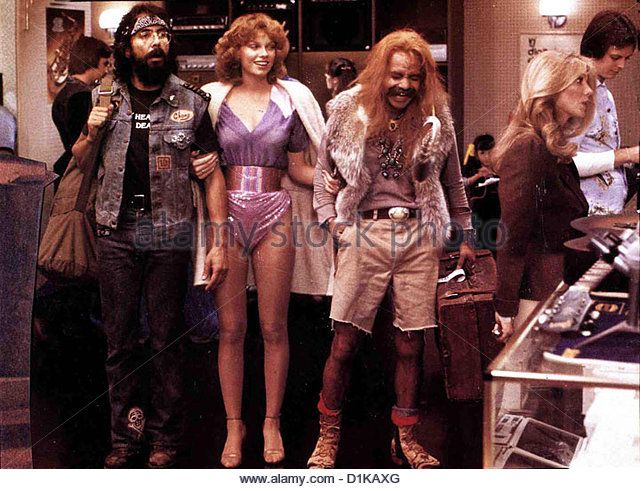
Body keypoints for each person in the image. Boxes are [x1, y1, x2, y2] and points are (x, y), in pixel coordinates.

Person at [309, 29, 474, 469]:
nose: (405, 85)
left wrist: (466, 235)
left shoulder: (436, 116)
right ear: (380, 72)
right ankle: (327, 435)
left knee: (410, 345)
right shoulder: (347, 110)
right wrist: (333, 225)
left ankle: (405, 438)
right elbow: (323, 178)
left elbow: (454, 184)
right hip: (364, 233)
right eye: (396, 75)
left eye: (414, 77)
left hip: (419, 237)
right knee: (344, 343)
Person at [72, 3, 227, 469]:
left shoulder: (192, 103)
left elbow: (212, 176)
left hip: (170, 232)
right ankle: (125, 438)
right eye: (144, 36)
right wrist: (90, 132)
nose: (155, 42)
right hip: (115, 230)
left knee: (166, 338)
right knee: (120, 341)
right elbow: (79, 161)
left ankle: (165, 438)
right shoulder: (104, 96)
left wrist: (218, 243)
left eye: (162, 35)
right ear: (126, 48)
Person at [194, 13, 327, 468]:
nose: (263, 53)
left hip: (276, 212)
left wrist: (338, 179)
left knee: (274, 326)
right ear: (236, 50)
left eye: (270, 46)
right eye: (253, 45)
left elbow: (300, 168)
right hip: (225, 214)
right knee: (232, 328)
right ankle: (235, 425)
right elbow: (199, 159)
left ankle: (272, 422)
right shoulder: (213, 98)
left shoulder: (293, 98)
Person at [493, 51, 595, 342]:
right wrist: (505, 307)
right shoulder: (529, 147)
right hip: (536, 292)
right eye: (578, 81)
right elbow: (511, 234)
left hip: (554, 286)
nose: (589, 91)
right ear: (550, 88)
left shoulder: (551, 148)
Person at [573, 10, 638, 215]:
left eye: (627, 58)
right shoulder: (576, 92)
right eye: (615, 57)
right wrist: (628, 155)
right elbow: (566, 164)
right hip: (586, 214)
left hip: (607, 212)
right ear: (594, 49)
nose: (622, 65)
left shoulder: (605, 94)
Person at [52, 36, 111, 187]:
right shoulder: (81, 96)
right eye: (104, 64)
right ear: (92, 60)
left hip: (69, 166)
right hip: (79, 172)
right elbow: (83, 142)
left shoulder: (65, 92)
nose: (106, 70)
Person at [462, 134, 500, 250]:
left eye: (490, 152)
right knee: (481, 241)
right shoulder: (472, 168)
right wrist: (478, 175)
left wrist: (495, 174)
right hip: (479, 211)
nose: (487, 157)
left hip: (497, 210)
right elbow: (462, 182)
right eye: (482, 153)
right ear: (477, 155)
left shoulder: (499, 166)